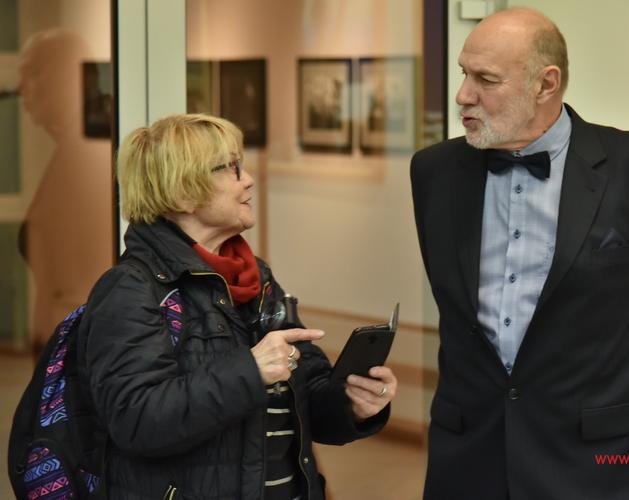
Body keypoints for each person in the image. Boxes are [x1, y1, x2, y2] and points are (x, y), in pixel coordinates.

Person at [410, 8, 629, 500]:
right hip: (470, 456)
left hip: (597, 463)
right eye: (464, 73)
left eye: (486, 80)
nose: (463, 95)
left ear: (546, 84)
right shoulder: (433, 172)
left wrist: (603, 398)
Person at [77, 113, 397, 499]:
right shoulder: (130, 289)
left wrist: (353, 405)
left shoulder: (255, 277)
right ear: (182, 192)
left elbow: (306, 399)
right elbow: (136, 420)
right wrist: (250, 370)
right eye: (230, 169)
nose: (247, 180)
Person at [17, 29, 112, 357]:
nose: (22, 89)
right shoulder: (74, 148)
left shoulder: (91, 154)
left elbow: (84, 277)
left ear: (68, 74)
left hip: (79, 352)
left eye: (32, 73)